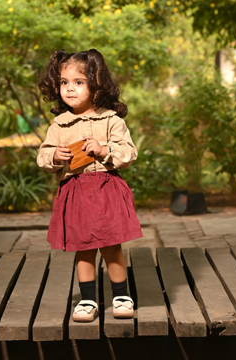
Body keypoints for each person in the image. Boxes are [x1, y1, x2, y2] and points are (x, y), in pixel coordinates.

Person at [37, 49, 143, 322]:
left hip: (106, 190)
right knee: (82, 247)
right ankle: (87, 300)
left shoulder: (110, 120)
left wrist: (104, 148)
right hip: (76, 193)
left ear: (96, 84)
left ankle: (121, 295)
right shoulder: (59, 125)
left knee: (111, 246)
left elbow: (129, 153)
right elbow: (43, 156)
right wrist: (54, 156)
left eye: (78, 82)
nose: (70, 88)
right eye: (64, 82)